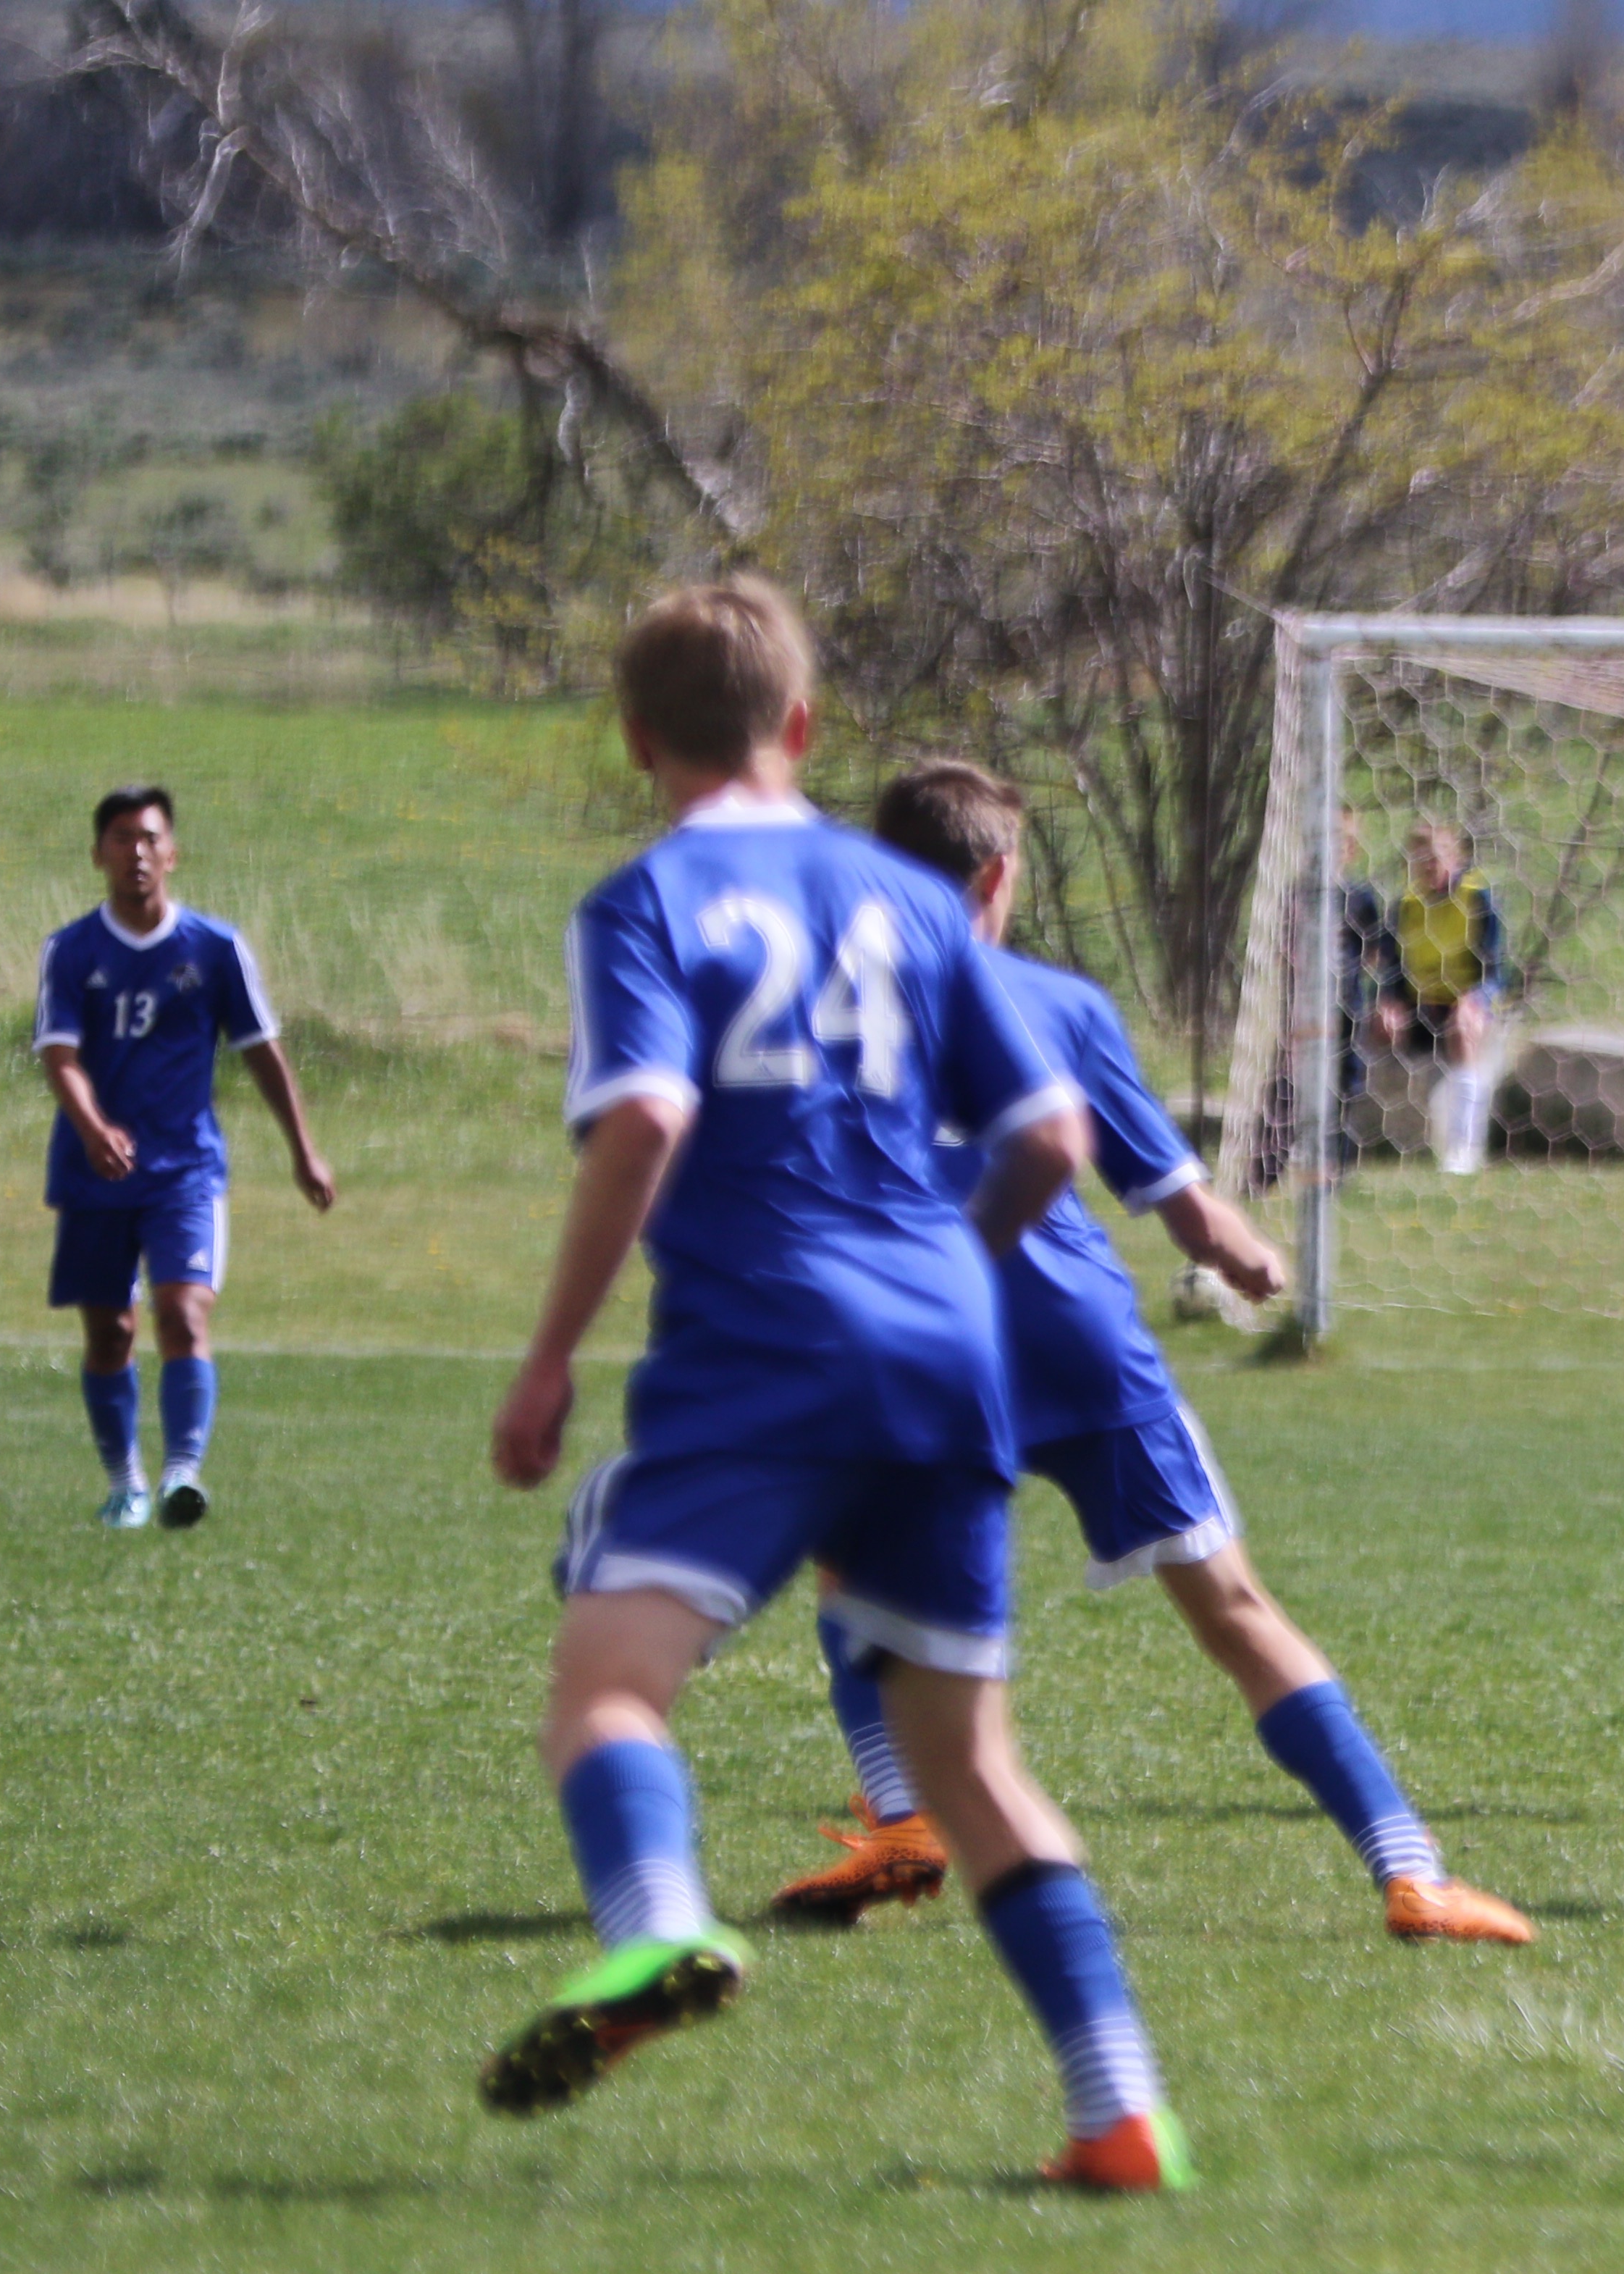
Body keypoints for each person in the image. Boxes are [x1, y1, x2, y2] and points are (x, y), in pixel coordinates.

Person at [484, 577, 1192, 2193]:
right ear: (802, 730)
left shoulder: (646, 904)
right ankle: (1118, 2109)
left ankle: (659, 1928)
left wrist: (545, 1361)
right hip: (952, 1349)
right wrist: (947, 1268)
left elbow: (649, 1122)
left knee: (608, 1683)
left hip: (762, 1346)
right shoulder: (918, 904)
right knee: (973, 1763)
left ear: (637, 739)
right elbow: (1051, 1142)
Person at [772, 760, 1533, 1949]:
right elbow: (1191, 1212)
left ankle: (908, 1814)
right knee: (1231, 1606)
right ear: (1000, 876)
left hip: (919, 1340)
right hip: (1074, 1339)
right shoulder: (1058, 1006)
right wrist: (1249, 1261)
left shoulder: (819, 1021)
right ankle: (1410, 1870)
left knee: (845, 1567)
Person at [33, 784, 337, 1530]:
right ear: (98, 853)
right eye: (121, 839)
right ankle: (124, 1482)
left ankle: (181, 1476)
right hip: (94, 1172)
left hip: (185, 1170)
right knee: (111, 1333)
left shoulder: (214, 948)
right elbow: (59, 1053)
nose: (136, 853)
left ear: (171, 852)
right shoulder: (72, 951)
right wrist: (95, 1127)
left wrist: (304, 1151)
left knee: (183, 1313)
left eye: (149, 839)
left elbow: (263, 1054)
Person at [1360, 818, 1512, 1175]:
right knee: (1377, 1026)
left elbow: (1497, 973)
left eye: (1437, 856)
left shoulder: (1478, 900)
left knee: (1463, 1028)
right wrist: (1387, 1001)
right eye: (1420, 858)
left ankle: (1464, 1147)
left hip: (1462, 1006)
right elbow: (1391, 968)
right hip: (1419, 1006)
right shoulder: (1407, 906)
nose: (1429, 866)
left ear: (1456, 857)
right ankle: (1364, 1136)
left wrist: (1477, 998)